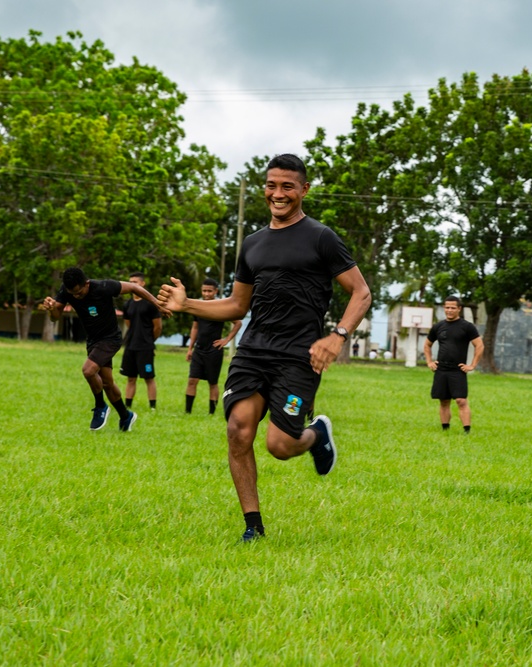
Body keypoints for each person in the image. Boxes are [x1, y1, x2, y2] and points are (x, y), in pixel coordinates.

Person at [157, 154, 371, 543]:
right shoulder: (252, 244)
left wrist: (337, 335)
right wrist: (188, 305)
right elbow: (238, 306)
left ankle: (315, 435)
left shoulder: (321, 237)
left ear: (304, 190)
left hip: (299, 357)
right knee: (238, 431)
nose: (278, 193)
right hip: (253, 352)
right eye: (272, 185)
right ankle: (252, 526)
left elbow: (361, 292)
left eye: (288, 186)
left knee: (280, 444)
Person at [40, 267, 166, 432]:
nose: (76, 296)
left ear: (86, 283)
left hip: (110, 339)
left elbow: (135, 288)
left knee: (88, 370)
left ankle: (100, 406)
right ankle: (125, 416)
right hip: (93, 340)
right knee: (107, 382)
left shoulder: (104, 287)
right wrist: (51, 309)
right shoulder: (67, 290)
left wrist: (157, 304)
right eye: (73, 294)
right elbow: (55, 317)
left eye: (79, 292)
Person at [423, 296, 484, 433]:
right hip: (441, 369)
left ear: (459, 309)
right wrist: (429, 362)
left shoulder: (467, 327)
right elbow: (427, 345)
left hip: (458, 370)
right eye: (447, 307)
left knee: (461, 401)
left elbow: (479, 345)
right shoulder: (438, 327)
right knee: (444, 401)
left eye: (452, 308)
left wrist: (472, 365)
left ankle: (467, 431)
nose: (449, 310)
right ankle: (445, 430)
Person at [184, 279, 242, 415]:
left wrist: (226, 340)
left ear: (216, 291)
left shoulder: (220, 307)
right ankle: (187, 412)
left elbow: (238, 323)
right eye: (204, 291)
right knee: (192, 380)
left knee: (212, 382)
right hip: (199, 349)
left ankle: (212, 412)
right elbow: (195, 328)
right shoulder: (198, 306)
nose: (206, 294)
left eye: (209, 291)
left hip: (214, 351)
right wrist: (190, 348)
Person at [120, 272, 162, 411]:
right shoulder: (128, 305)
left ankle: (152, 407)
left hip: (145, 347)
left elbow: (157, 327)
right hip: (130, 346)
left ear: (143, 283)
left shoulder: (150, 304)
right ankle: (127, 406)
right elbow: (128, 324)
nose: (133, 284)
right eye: (130, 281)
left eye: (136, 282)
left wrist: (149, 340)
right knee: (130, 378)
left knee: (148, 378)